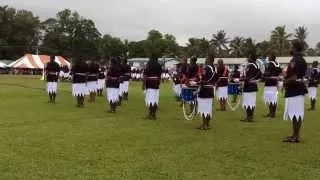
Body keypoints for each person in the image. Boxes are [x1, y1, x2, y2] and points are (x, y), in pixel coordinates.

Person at [283, 40, 308, 143]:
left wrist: (284, 81)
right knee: (294, 113)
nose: (289, 48)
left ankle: (296, 136)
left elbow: (294, 76)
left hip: (295, 88)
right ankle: (294, 135)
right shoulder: (300, 59)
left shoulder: (295, 60)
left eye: (290, 46)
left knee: (296, 113)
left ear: (294, 48)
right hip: (297, 88)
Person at [197, 54, 216, 130]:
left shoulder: (207, 68)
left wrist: (199, 82)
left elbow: (204, 79)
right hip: (210, 89)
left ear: (210, 60)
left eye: (207, 58)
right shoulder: (214, 68)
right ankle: (207, 124)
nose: (205, 60)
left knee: (204, 108)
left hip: (205, 89)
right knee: (208, 108)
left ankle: (204, 125)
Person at [241, 54, 261, 122]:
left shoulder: (250, 65)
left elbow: (248, 76)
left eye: (249, 57)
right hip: (253, 85)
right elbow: (259, 75)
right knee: (251, 103)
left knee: (248, 102)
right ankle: (250, 117)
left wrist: (242, 79)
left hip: (249, 86)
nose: (248, 58)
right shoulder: (257, 65)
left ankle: (249, 117)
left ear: (252, 58)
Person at [143, 55, 162, 119]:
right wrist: (158, 83)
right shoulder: (159, 65)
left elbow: (145, 75)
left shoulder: (148, 64)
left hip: (149, 84)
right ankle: (154, 114)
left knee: (150, 99)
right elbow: (160, 76)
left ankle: (150, 114)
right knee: (155, 100)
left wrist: (143, 84)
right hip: (156, 84)